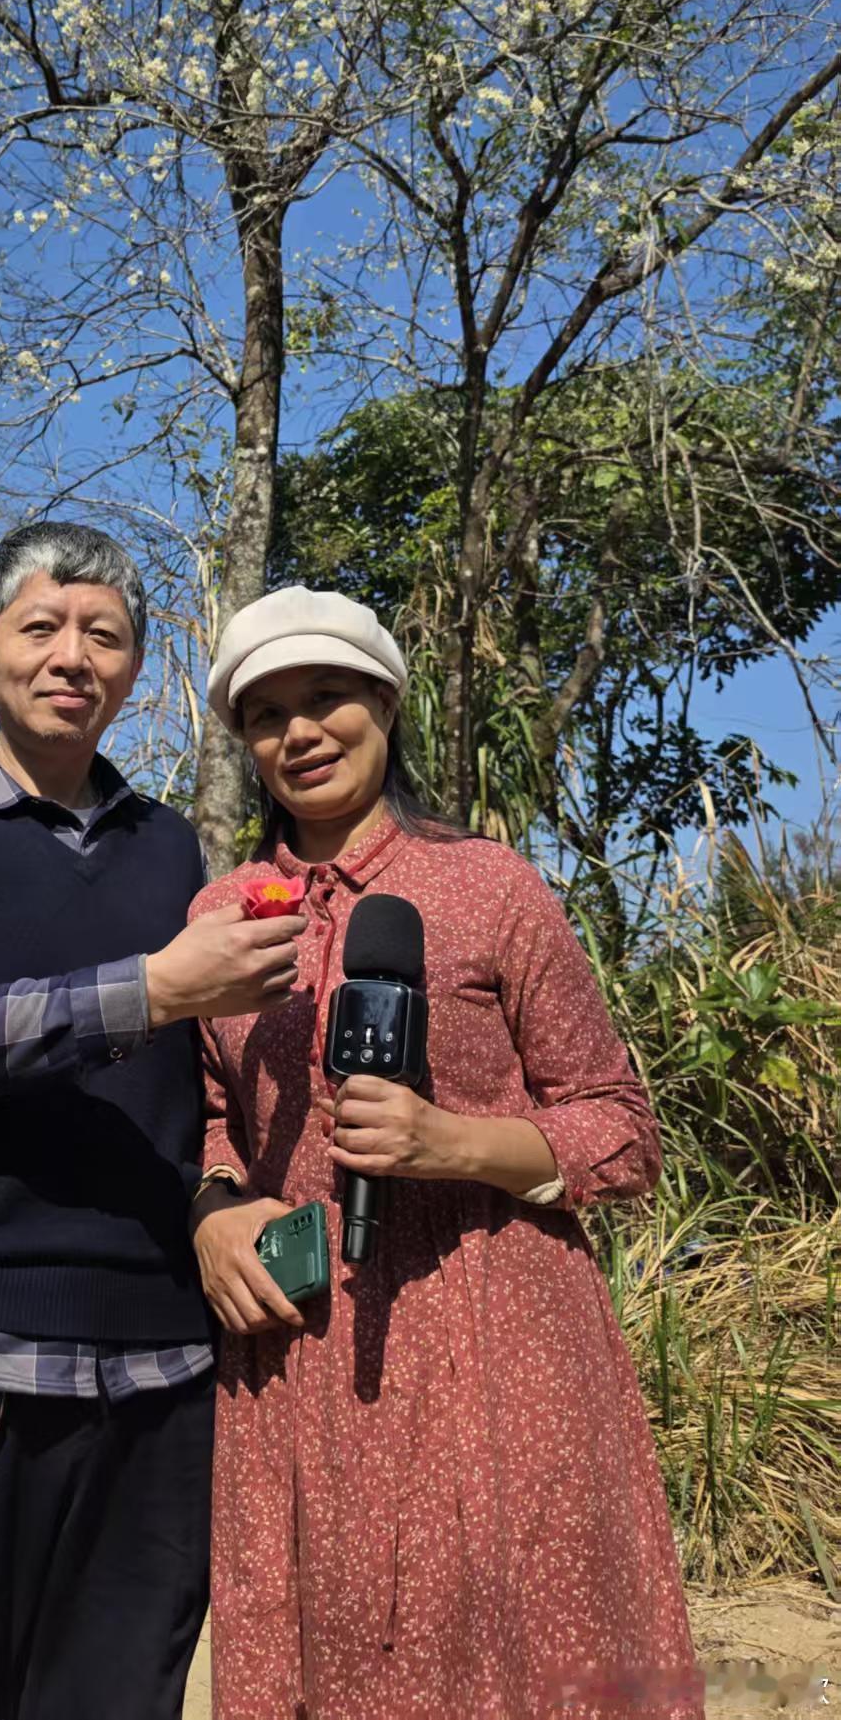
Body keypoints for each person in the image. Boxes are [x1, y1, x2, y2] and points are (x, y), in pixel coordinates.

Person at [189, 585, 702, 1720]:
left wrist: (451, 1139)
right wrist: (215, 1204)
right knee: (329, 1647)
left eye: (326, 697)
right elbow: (212, 1113)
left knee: (513, 1638)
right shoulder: (222, 912)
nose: (299, 731)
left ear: (385, 704)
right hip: (303, 1357)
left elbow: (620, 1124)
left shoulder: (489, 885)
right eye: (266, 713)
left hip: (495, 1339)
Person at [0, 522, 307, 1720]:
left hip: (155, 1374)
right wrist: (158, 983)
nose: (71, 655)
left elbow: (205, 1088)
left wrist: (218, 1192)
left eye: (105, 634)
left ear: (135, 671)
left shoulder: (172, 850)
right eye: (40, 626)